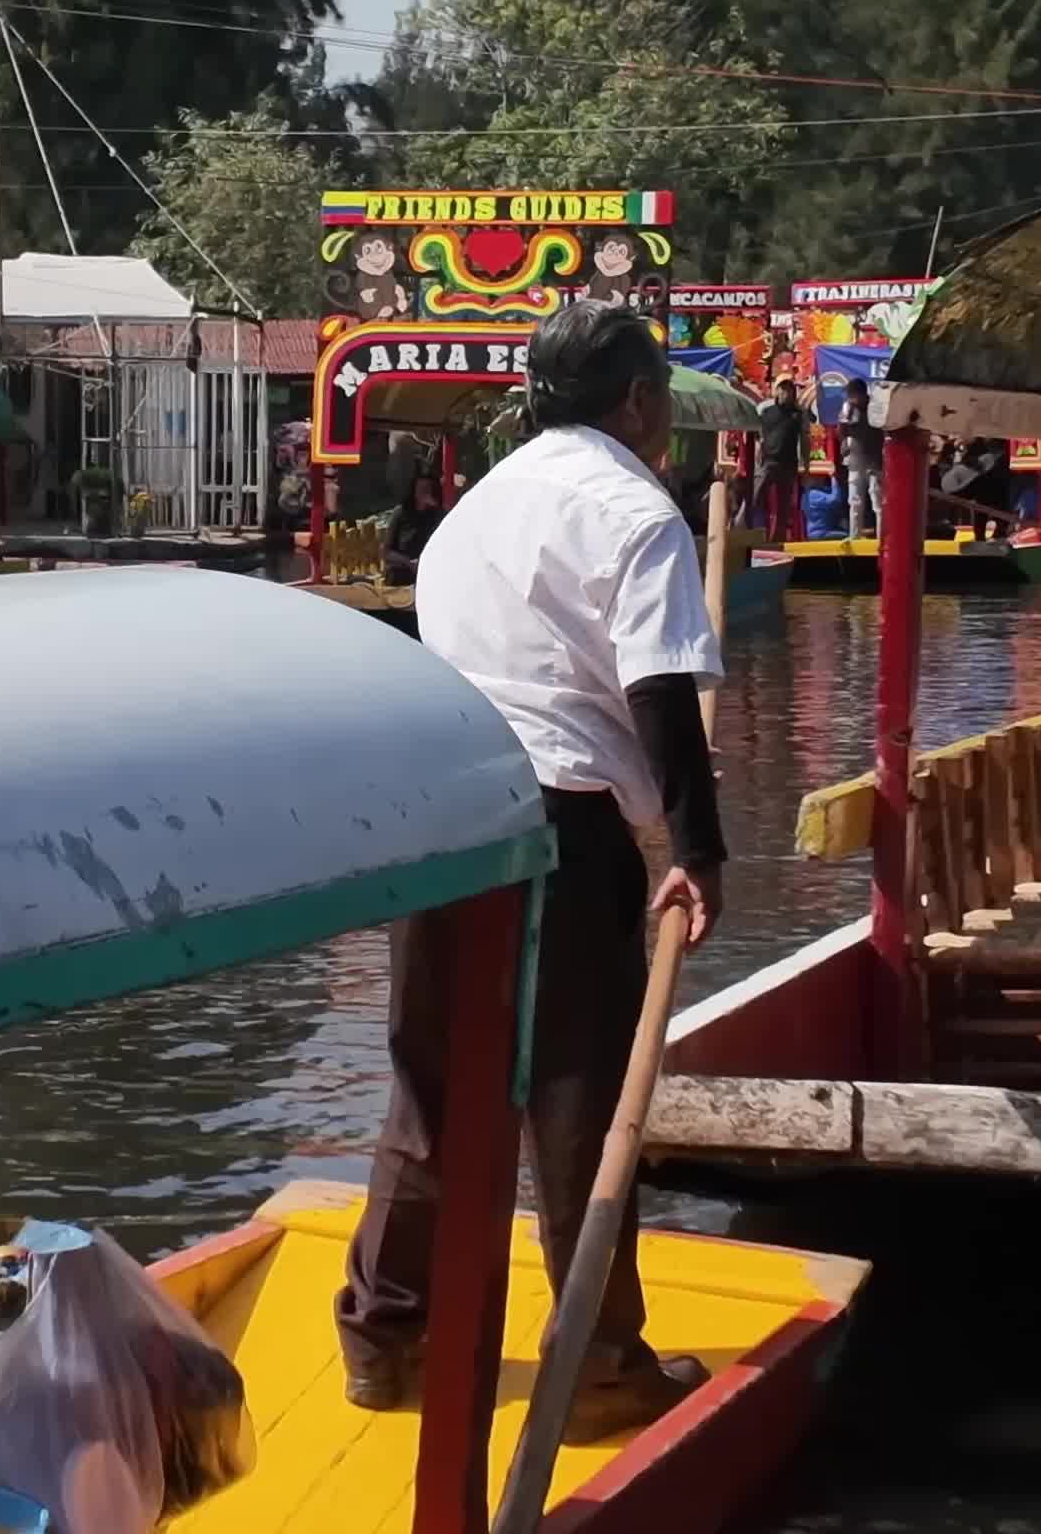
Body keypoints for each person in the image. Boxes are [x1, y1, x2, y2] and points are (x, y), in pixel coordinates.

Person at [338, 299, 723, 1435]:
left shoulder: (476, 507)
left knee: (433, 1082)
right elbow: (659, 696)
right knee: (575, 1091)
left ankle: (382, 1334)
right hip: (559, 817)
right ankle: (600, 1362)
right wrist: (694, 852)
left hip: (443, 808)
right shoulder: (634, 511)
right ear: (642, 403)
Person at [756, 373, 807, 538]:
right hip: (768, 462)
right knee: (755, 497)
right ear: (776, 391)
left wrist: (805, 464)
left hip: (788, 464)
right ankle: (751, 531)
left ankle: (776, 538)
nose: (787, 393)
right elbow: (759, 435)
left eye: (790, 389)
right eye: (783, 389)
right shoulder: (766, 411)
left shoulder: (798, 414)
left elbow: (804, 439)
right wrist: (759, 451)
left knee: (784, 505)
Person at [382, 466, 449, 585]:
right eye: (421, 489)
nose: (424, 492)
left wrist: (437, 508)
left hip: (429, 569)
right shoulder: (401, 513)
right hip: (404, 569)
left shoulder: (437, 514)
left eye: (427, 489)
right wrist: (408, 562)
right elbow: (386, 552)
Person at [835, 377, 884, 540]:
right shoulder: (848, 408)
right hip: (856, 456)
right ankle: (854, 535)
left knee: (876, 497)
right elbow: (841, 429)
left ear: (862, 394)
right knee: (854, 497)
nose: (850, 399)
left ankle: (882, 536)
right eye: (849, 396)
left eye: (853, 395)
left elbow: (884, 432)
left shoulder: (876, 407)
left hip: (875, 456)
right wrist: (843, 443)